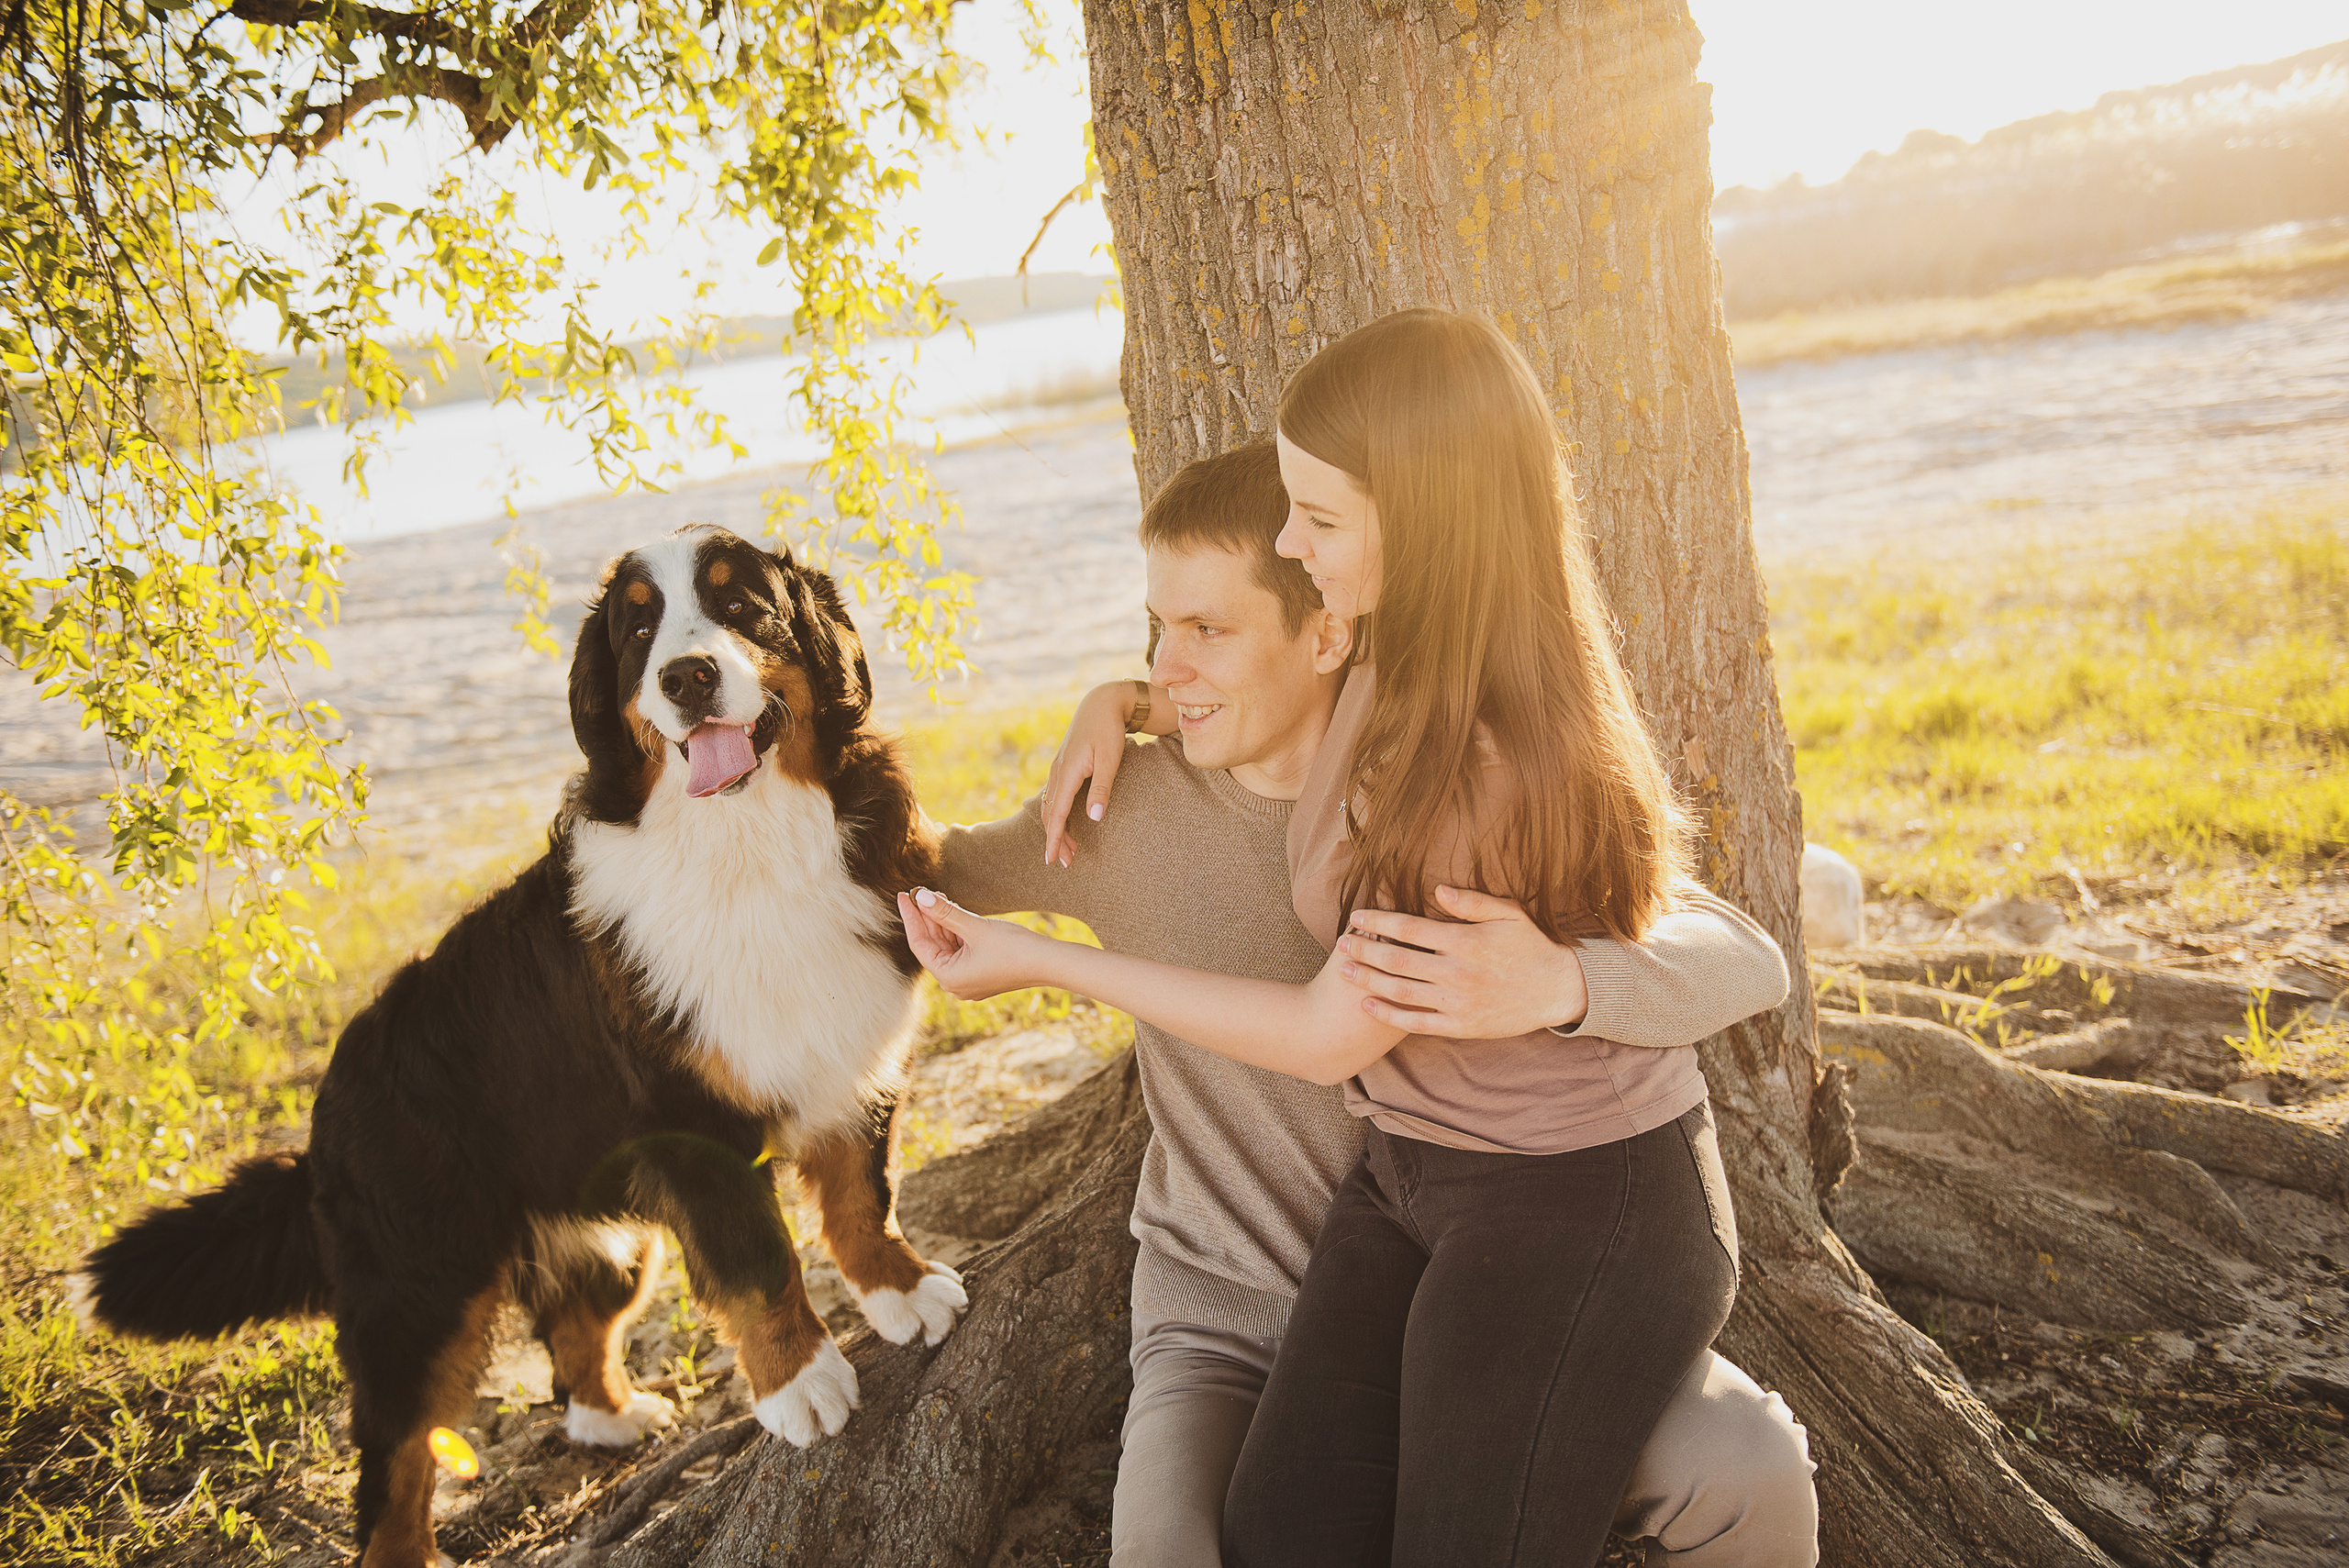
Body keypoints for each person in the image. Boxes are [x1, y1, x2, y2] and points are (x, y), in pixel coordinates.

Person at [924, 432, 1816, 1566]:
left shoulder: (1435, 786)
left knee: (1748, 1468)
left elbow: (1739, 952)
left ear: (1327, 631)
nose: (1169, 661)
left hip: (1486, 1284)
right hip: (1226, 1324)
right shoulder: (1115, 813)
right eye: (1157, 628)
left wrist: (1562, 979)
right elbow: (922, 860)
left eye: (1208, 628)